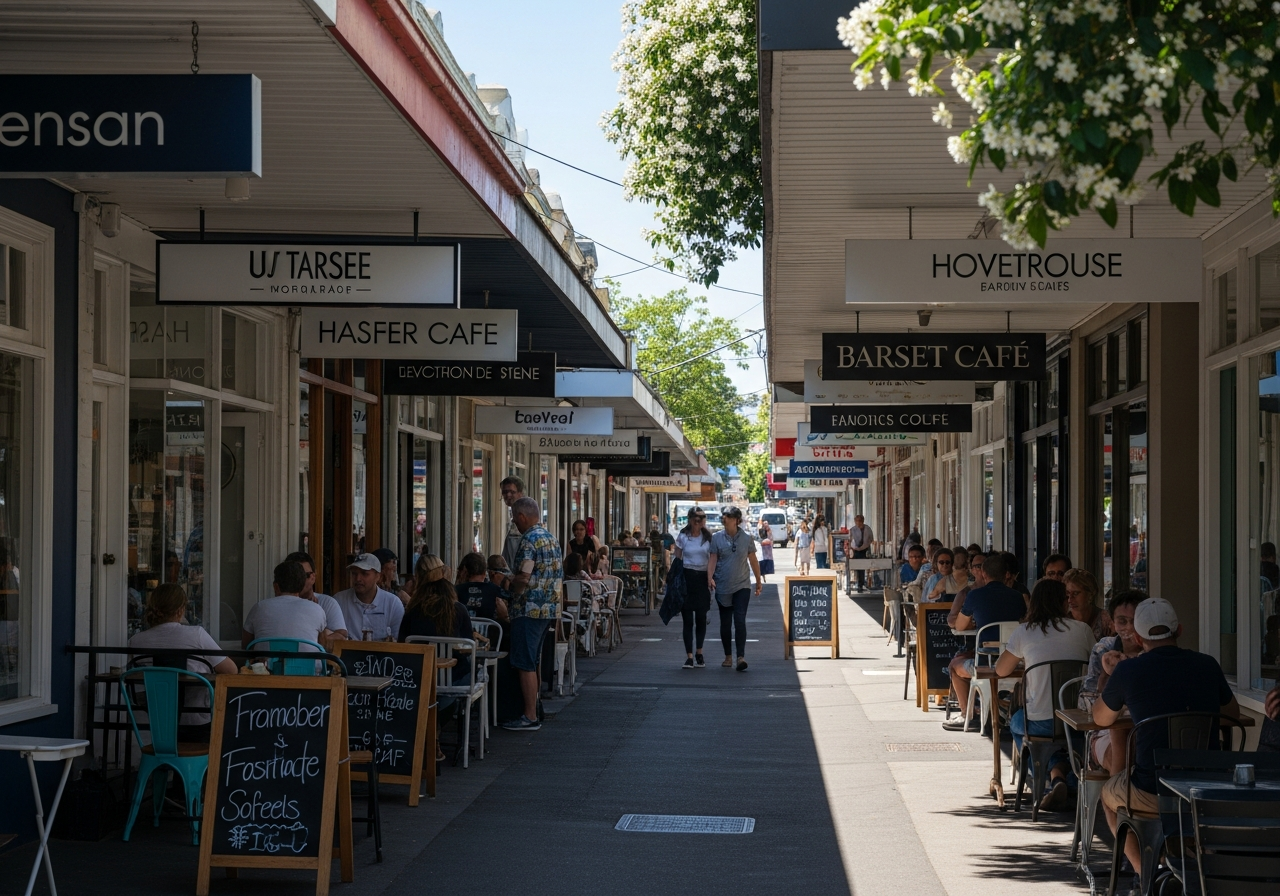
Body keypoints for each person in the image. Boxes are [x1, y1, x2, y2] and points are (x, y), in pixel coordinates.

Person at [1094, 597, 1239, 877]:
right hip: (1205, 784)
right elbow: (1231, 712)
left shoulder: (1128, 670)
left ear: (1137, 637)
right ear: (1179, 631)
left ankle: (1147, 874)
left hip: (1152, 788)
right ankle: (1181, 863)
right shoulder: (1207, 665)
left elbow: (1101, 718)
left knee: (1108, 794)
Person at [993, 578, 1096, 811]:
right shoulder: (1083, 630)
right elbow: (1096, 664)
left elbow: (1001, 670)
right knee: (1058, 735)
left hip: (1040, 722)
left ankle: (1049, 776)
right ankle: (1062, 775)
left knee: (1016, 723)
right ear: (1063, 602)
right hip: (1076, 720)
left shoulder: (1024, 632)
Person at [128, 583, 237, 741]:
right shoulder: (196, 635)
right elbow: (231, 670)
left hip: (156, 724)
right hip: (198, 722)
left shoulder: (136, 641)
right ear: (181, 610)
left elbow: (137, 690)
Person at [942, 552, 1028, 731]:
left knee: (955, 665)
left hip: (985, 664)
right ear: (1006, 574)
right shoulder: (1017, 596)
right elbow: (1023, 623)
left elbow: (959, 625)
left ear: (984, 574)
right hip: (1015, 664)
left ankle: (968, 714)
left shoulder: (974, 595)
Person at [502, 497, 562, 731]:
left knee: (524, 662)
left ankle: (529, 716)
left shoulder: (528, 540)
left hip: (528, 609)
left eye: (515, 517)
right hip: (548, 608)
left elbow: (524, 577)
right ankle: (534, 708)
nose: (514, 521)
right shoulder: (550, 538)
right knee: (533, 659)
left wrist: (511, 585)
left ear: (522, 517)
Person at [1080, 590, 1146, 774]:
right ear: (1112, 622)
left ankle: (1121, 795)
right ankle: (1119, 795)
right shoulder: (1103, 650)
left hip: (1144, 729)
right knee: (1121, 740)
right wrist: (1106, 675)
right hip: (1104, 731)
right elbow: (1086, 702)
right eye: (1122, 621)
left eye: (1135, 621)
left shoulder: (1153, 651)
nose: (1129, 628)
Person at [708, 506, 763, 671]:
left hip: (742, 586)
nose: (724, 518)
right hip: (723, 586)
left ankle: (740, 657)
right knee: (725, 624)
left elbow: (753, 560)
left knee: (739, 621)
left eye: (728, 516)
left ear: (736, 520)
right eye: (723, 515)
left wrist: (759, 581)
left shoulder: (747, 538)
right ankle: (728, 656)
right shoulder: (716, 538)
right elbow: (712, 559)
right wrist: (709, 577)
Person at [400, 554, 474, 676]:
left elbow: (402, 644)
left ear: (417, 578)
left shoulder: (412, 611)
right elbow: (468, 649)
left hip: (418, 678)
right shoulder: (458, 609)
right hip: (454, 678)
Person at [242, 561, 329, 649]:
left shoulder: (259, 608)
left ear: (276, 586)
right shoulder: (317, 609)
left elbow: (246, 646)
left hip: (268, 662)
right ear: (302, 585)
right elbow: (323, 647)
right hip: (307, 663)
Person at [674, 507, 714, 669]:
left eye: (702, 519)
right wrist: (673, 582)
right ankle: (689, 656)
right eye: (696, 519)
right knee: (688, 620)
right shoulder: (683, 537)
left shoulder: (709, 538)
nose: (699, 522)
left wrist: (711, 578)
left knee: (701, 619)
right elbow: (677, 560)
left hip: (702, 579)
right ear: (690, 520)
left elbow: (713, 559)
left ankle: (699, 653)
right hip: (687, 578)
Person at [335, 553, 405, 641]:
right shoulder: (339, 601)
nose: (358, 579)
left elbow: (400, 641)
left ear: (377, 576)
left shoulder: (393, 603)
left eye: (364, 574)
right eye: (354, 574)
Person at [284, 550, 349, 645]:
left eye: (303, 576)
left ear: (313, 577)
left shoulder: (327, 602)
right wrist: (324, 633)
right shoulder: (277, 605)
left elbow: (342, 638)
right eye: (293, 576)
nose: (299, 580)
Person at [456, 552, 509, 624]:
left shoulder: (455, 591)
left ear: (464, 571)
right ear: (485, 572)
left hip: (462, 633)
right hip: (489, 633)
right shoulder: (496, 592)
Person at [1064, 567, 1113, 640]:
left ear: (1090, 594)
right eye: (1067, 593)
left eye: (1075, 593)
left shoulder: (1106, 620)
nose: (1070, 599)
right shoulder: (1063, 622)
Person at [499, 476, 525, 571]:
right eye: (505, 492)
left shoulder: (523, 512)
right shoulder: (513, 511)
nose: (508, 495)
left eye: (512, 492)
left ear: (520, 493)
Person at [849, 514, 873, 591]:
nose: (858, 523)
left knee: (864, 566)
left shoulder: (867, 529)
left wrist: (866, 545)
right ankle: (859, 583)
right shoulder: (853, 530)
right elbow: (849, 540)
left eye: (860, 521)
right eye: (857, 521)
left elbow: (871, 539)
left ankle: (862, 583)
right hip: (855, 550)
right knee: (857, 567)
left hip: (865, 549)